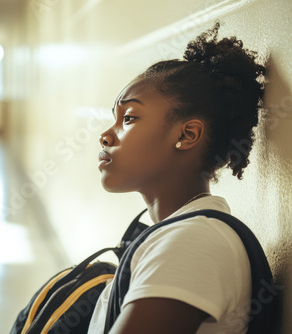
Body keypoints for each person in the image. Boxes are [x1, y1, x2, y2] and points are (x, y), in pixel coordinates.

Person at [89, 20, 266, 334]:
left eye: (128, 118)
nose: (106, 135)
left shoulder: (190, 244)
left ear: (187, 134)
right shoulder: (174, 232)